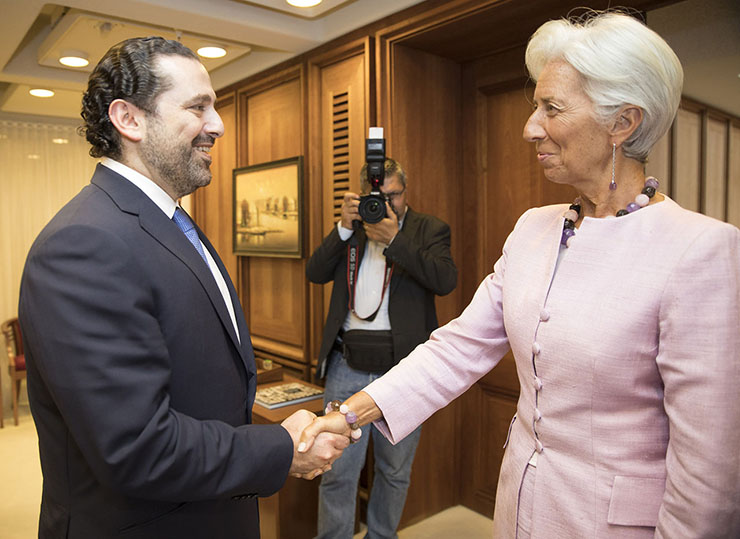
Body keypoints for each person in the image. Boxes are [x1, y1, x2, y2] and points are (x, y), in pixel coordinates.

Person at [299, 11, 740, 538]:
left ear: (623, 123)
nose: (530, 127)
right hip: (518, 510)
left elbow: (709, 474)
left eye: (551, 108)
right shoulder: (533, 229)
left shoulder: (701, 251)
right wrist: (347, 417)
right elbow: (458, 349)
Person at [18, 37, 347, 539]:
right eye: (197, 107)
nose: (217, 125)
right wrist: (282, 448)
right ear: (129, 120)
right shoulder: (84, 243)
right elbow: (137, 449)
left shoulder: (165, 222)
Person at [306, 158, 457, 538]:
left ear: (405, 192)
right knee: (337, 470)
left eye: (394, 196)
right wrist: (342, 227)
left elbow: (445, 280)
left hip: (404, 370)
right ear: (363, 196)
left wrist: (395, 240)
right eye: (379, 197)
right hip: (347, 364)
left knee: (394, 471)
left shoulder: (429, 229)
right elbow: (315, 272)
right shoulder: (353, 230)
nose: (386, 205)